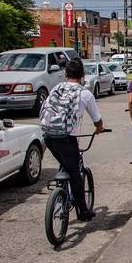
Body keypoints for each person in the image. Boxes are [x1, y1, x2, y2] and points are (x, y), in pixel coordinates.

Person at [40, 58, 106, 221]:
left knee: (66, 163)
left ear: (65, 74)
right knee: (75, 173)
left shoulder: (56, 88)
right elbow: (97, 119)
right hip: (67, 139)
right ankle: (82, 211)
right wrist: (99, 128)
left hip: (48, 136)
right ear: (83, 75)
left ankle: (61, 190)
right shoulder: (85, 93)